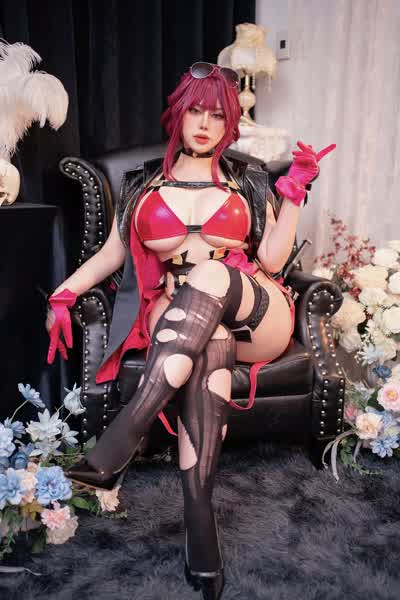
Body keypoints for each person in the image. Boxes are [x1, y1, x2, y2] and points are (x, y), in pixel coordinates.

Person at [46, 62, 335, 600]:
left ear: (230, 124)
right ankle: (200, 522)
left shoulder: (248, 181)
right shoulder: (142, 184)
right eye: (196, 111)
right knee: (208, 346)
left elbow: (273, 260)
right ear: (178, 115)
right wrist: (63, 293)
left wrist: (295, 191)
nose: (205, 124)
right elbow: (111, 256)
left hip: (256, 308)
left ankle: (124, 434)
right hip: (184, 317)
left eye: (218, 115)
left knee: (210, 278)